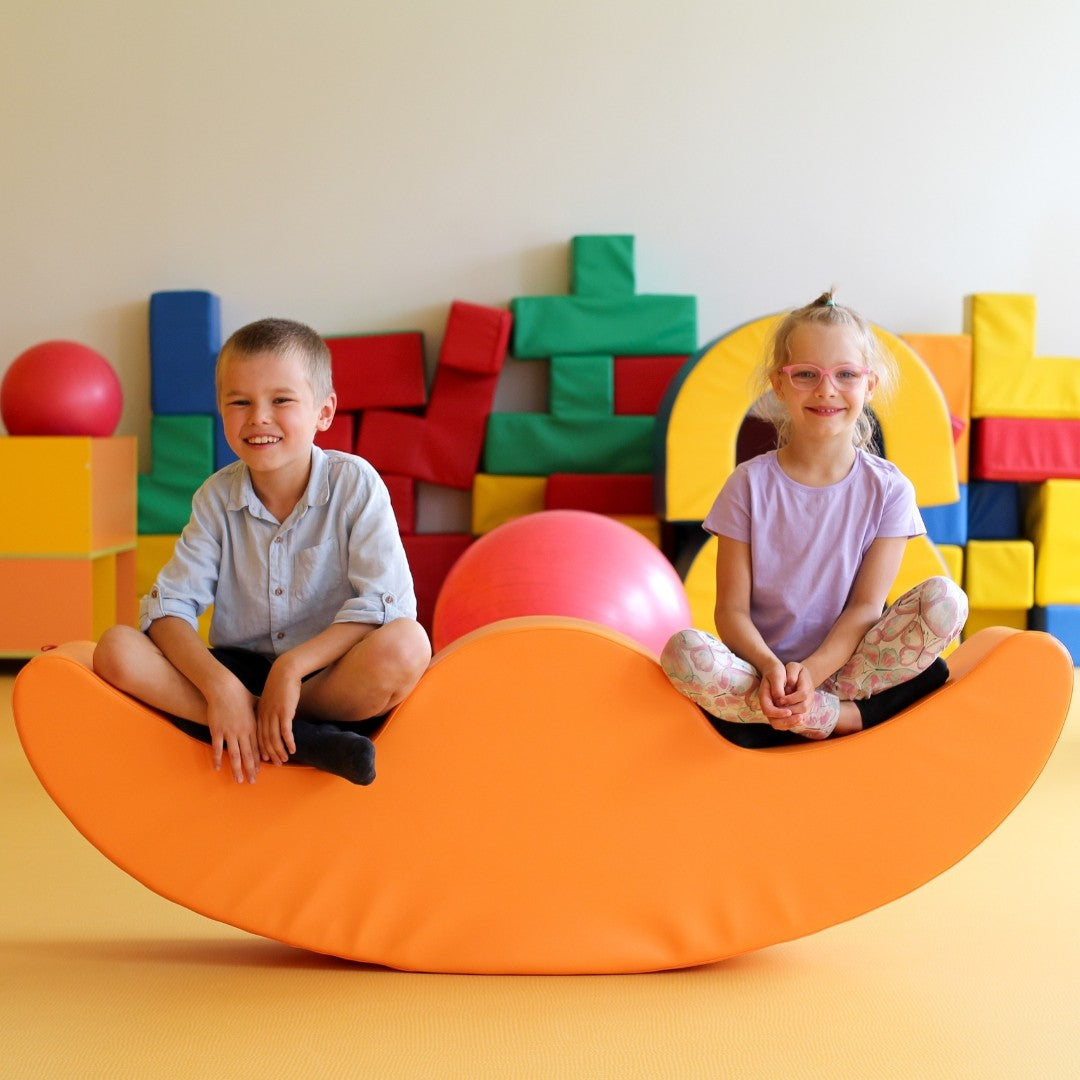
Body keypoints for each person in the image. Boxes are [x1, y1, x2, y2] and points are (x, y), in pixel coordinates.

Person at [94, 318, 432, 784]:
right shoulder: (215, 497)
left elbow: (383, 604)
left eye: (281, 400)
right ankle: (296, 736)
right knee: (116, 649)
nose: (258, 418)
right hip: (240, 670)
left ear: (324, 412)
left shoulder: (356, 484)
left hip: (325, 676)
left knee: (408, 644)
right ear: (221, 410)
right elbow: (169, 609)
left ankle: (279, 719)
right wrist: (220, 687)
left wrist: (292, 668)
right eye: (240, 402)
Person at [661, 291, 968, 746]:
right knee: (682, 652)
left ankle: (805, 713)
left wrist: (814, 672)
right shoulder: (747, 485)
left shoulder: (890, 489)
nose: (826, 389)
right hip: (758, 674)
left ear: (869, 385)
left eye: (846, 374)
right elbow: (730, 611)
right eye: (806, 374)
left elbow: (866, 608)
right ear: (779, 384)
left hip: (848, 670)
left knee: (946, 601)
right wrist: (771, 669)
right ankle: (831, 716)